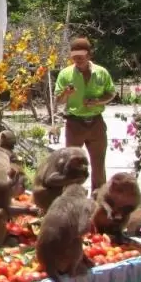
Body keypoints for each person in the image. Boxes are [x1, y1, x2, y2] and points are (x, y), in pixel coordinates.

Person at [54, 37, 116, 190]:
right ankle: (71, 198)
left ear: (89, 55)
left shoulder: (102, 73)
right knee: (71, 164)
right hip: (74, 124)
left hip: (96, 123)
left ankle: (98, 200)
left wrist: (98, 101)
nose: (78, 60)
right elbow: (58, 100)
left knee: (98, 165)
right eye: (75, 58)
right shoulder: (65, 74)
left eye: (81, 57)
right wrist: (66, 93)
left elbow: (111, 93)